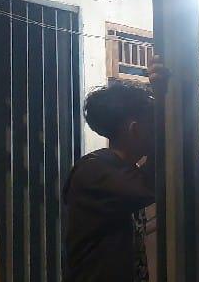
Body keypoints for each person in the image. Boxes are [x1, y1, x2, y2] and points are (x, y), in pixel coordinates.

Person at [63, 83, 156, 282]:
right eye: (151, 124)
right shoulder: (96, 170)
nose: (155, 131)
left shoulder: (121, 170)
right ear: (135, 129)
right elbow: (149, 186)